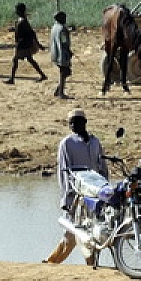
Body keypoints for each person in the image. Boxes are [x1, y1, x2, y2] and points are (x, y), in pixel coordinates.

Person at [45, 109, 107, 264]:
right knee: (72, 236)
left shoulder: (95, 142)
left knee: (90, 234)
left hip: (93, 197)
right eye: (70, 122)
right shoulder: (66, 144)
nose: (73, 125)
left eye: (76, 121)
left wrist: (105, 192)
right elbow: (64, 173)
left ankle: (52, 263)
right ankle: (51, 263)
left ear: (84, 123)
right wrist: (66, 199)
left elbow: (103, 168)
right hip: (76, 198)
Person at [4, 3, 47, 85]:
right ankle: (42, 75)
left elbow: (31, 32)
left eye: (17, 10)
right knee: (29, 59)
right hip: (23, 43)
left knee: (15, 60)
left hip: (23, 44)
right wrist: (14, 29)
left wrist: (38, 44)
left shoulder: (23, 21)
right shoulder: (21, 20)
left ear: (19, 10)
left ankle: (12, 79)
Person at [50, 11, 73, 99]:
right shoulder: (62, 29)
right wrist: (69, 51)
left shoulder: (54, 27)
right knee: (64, 73)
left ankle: (58, 90)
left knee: (65, 72)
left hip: (55, 53)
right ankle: (61, 93)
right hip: (62, 55)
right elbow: (64, 42)